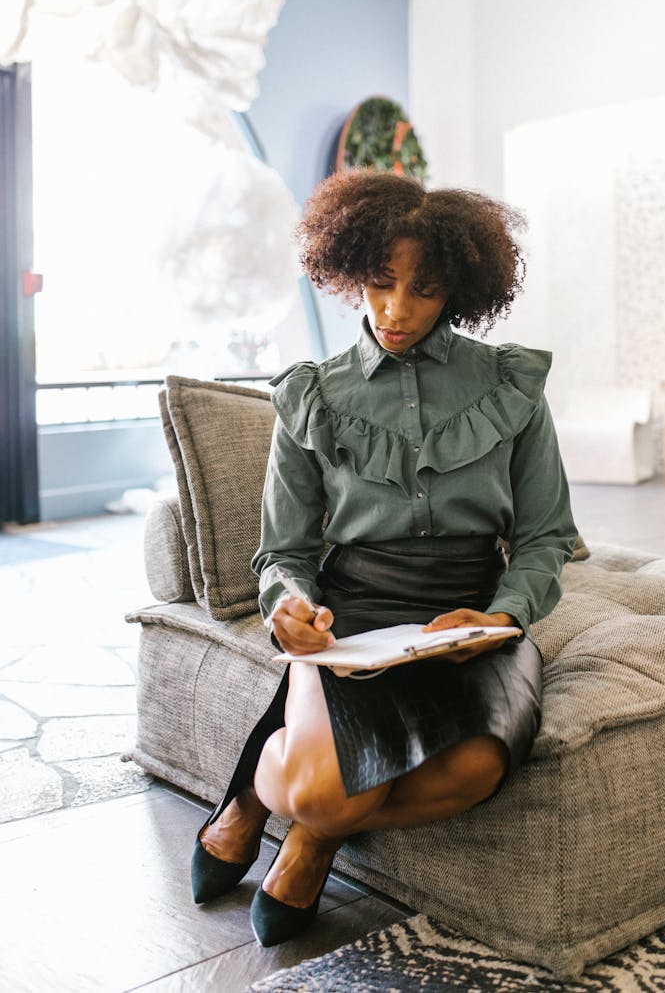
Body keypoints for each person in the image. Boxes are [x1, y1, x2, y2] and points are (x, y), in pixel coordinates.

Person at [190, 169, 578, 946]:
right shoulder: (312, 395)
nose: (398, 310)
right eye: (379, 281)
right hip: (354, 610)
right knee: (319, 784)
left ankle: (304, 832)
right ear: (349, 272)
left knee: (476, 768)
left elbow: (544, 536)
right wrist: (289, 606)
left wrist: (505, 612)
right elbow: (286, 550)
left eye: (424, 288)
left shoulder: (511, 387)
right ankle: (279, 805)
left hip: (470, 619)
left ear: (460, 288)